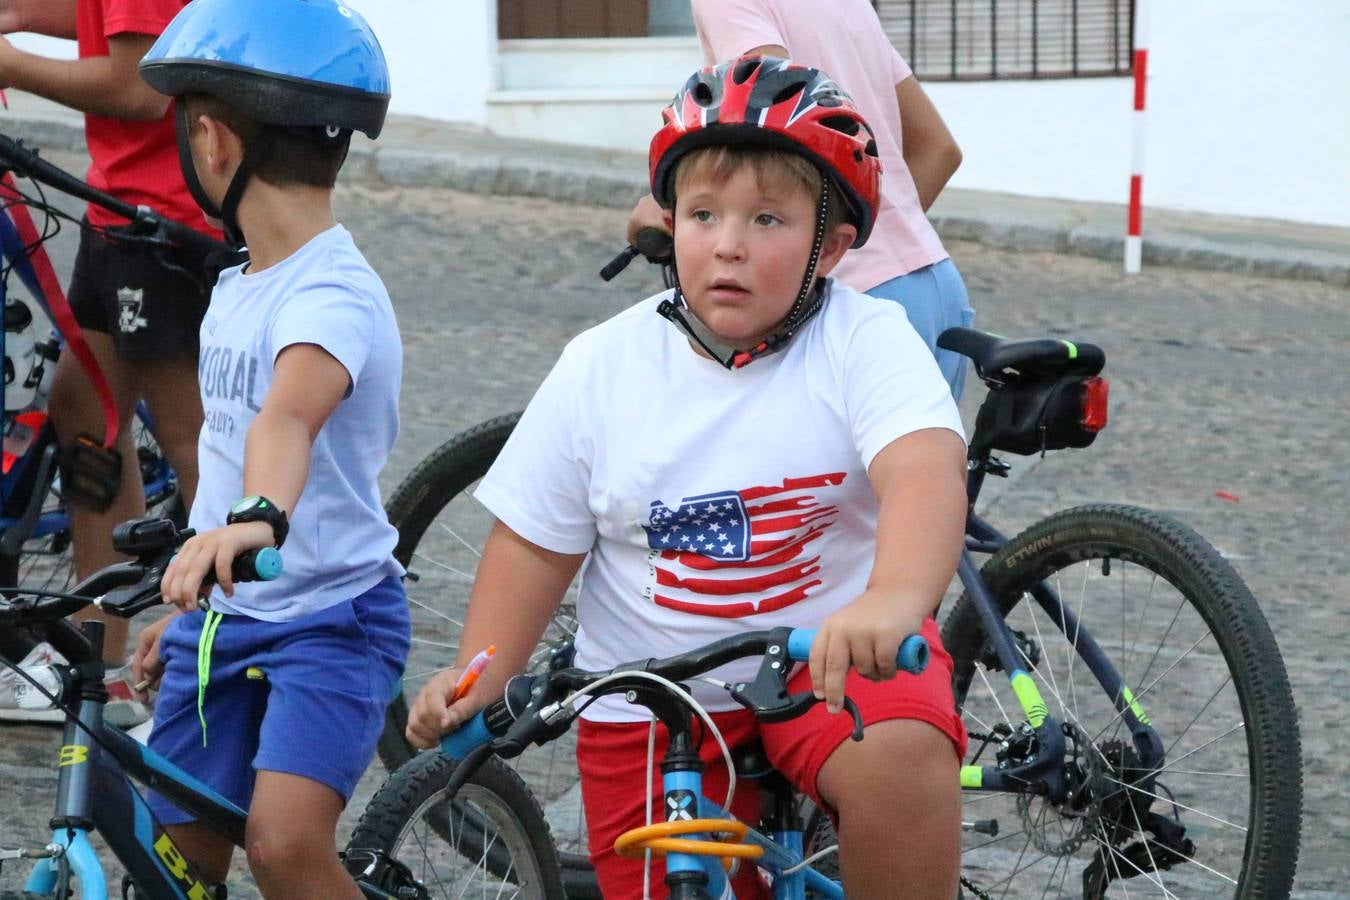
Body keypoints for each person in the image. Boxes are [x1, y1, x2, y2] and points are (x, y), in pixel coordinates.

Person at [408, 57, 968, 898]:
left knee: (901, 755)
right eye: (704, 214)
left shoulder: (866, 340)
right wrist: (479, 676)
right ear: (670, 226)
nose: (730, 244)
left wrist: (892, 599)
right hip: (648, 697)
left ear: (834, 247)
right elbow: (531, 543)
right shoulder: (600, 366)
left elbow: (923, 468)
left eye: (769, 219)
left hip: (829, 663)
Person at [125, 1, 408, 894]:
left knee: (285, 845)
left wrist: (256, 521)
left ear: (211, 142)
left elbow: (288, 416)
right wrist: (192, 595)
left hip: (332, 619)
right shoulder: (240, 284)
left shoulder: (332, 294)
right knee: (178, 851)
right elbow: (225, 447)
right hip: (227, 619)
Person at [0, 0, 218, 726]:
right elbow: (123, 23)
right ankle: (96, 663)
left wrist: (9, 64)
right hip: (115, 210)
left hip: (165, 222)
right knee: (85, 411)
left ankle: (228, 663)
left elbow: (140, 86)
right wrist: (25, 14)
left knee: (196, 444)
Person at [628, 0, 974, 398]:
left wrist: (666, 206)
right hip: (933, 284)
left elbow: (768, 122)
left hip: (849, 309)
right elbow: (938, 148)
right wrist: (864, 237)